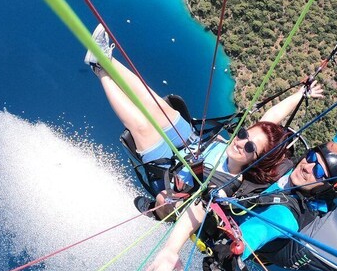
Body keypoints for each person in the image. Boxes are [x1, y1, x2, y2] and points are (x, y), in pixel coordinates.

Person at [145, 85, 337, 271]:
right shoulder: (296, 171)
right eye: (310, 157)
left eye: (318, 172)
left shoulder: (288, 214)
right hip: (237, 187)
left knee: (167, 200)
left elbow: (260, 230)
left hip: (223, 218)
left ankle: (156, 211)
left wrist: (236, 252)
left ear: (325, 189)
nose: (308, 167)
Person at [84, 24, 324, 218]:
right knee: (158, 106)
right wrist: (300, 94)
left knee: (142, 127)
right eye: (243, 136)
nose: (241, 142)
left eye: (249, 147)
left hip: (169, 169)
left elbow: (184, 209)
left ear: (255, 160)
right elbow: (270, 118)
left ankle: (99, 71)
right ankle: (106, 59)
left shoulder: (230, 185)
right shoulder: (236, 150)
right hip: (190, 140)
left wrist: (168, 201)